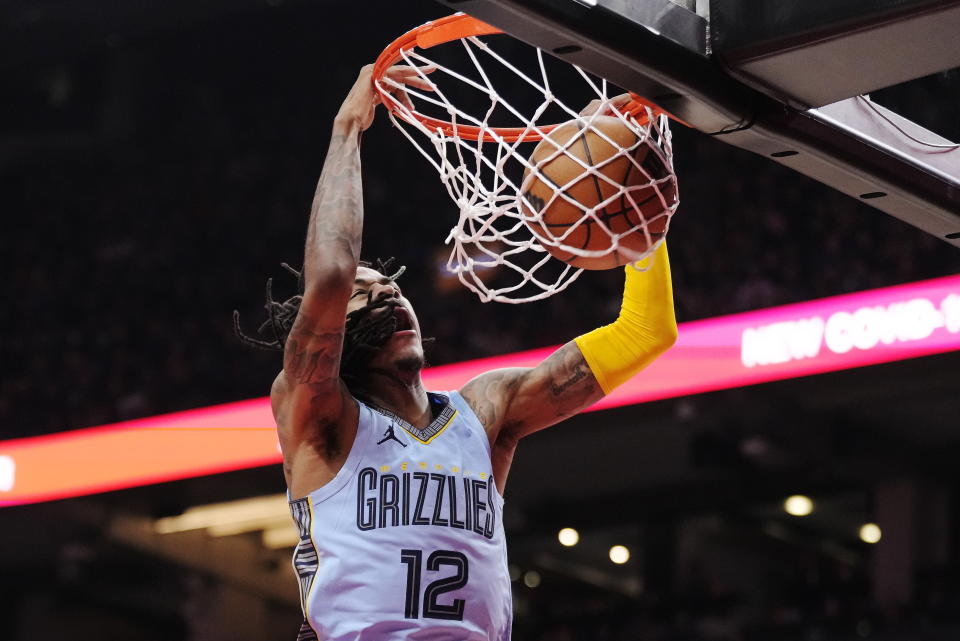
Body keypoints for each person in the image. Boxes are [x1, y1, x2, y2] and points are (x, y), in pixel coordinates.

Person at [235, 64, 678, 641]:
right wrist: (347, 129)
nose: (389, 293)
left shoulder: (485, 411)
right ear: (333, 338)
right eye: (364, 296)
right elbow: (331, 275)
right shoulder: (321, 418)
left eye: (391, 285)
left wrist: (638, 214)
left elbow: (646, 332)